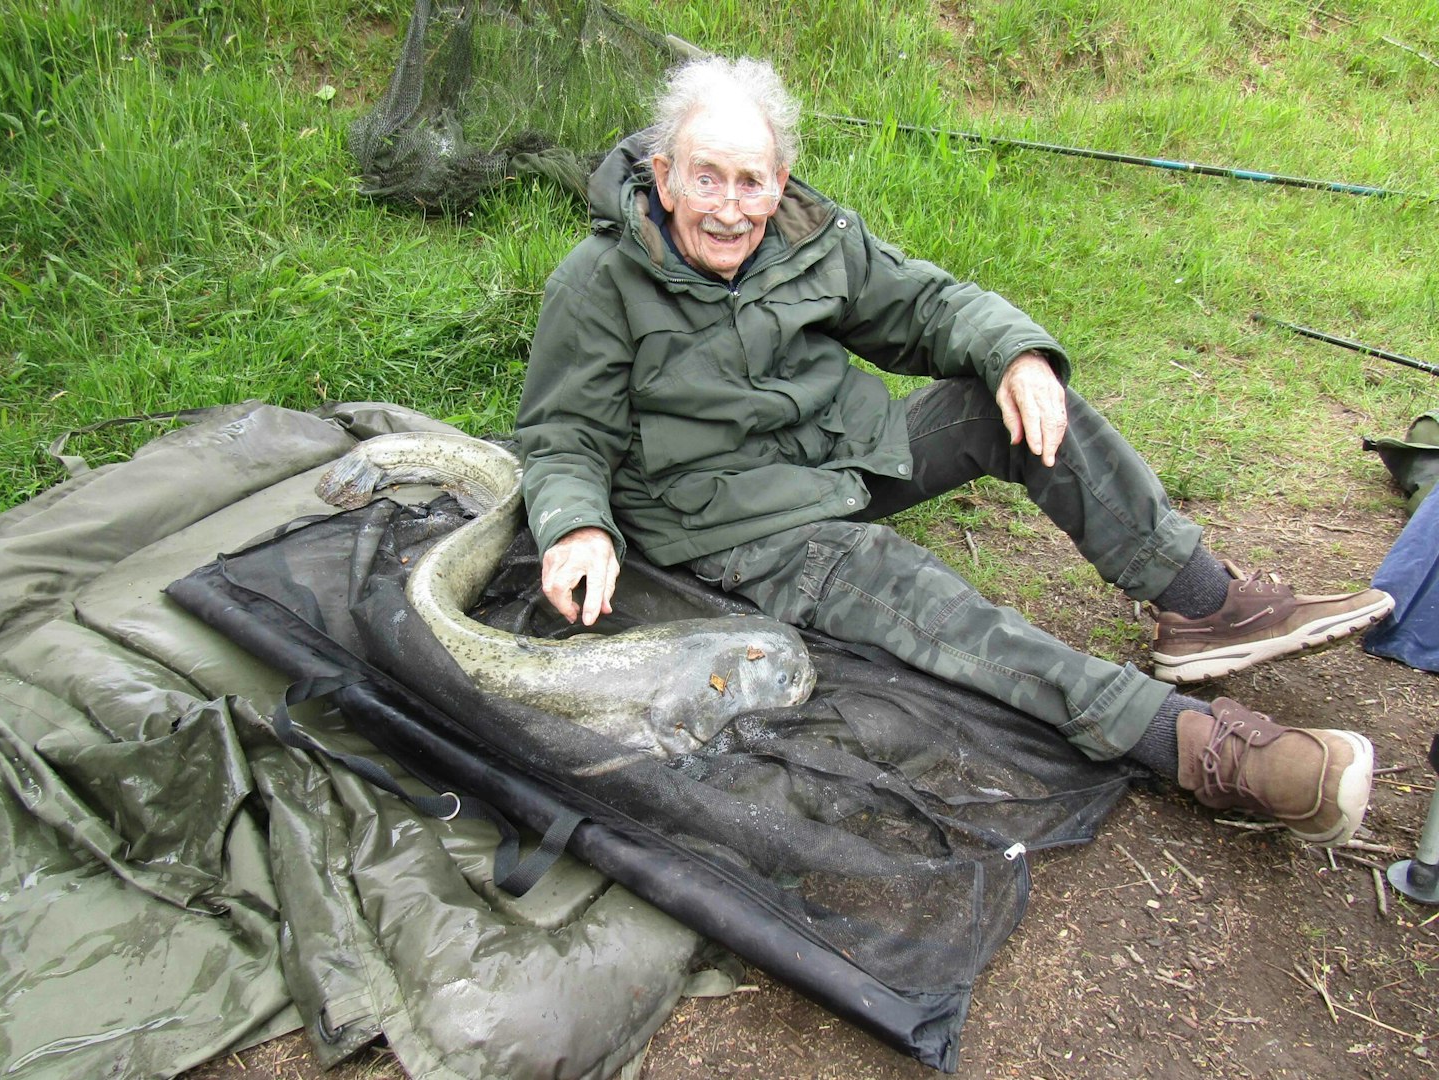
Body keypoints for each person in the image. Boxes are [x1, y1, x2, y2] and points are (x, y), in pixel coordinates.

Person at [516, 55, 1395, 846]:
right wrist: (577, 525)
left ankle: (1205, 605)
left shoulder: (810, 235)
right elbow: (564, 435)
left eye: (752, 182)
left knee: (1004, 401)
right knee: (917, 593)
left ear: (781, 182)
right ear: (664, 177)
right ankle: (1200, 749)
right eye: (707, 178)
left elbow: (931, 307)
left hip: (836, 460)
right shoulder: (597, 284)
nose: (731, 207)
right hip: (730, 523)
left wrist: (1016, 353)